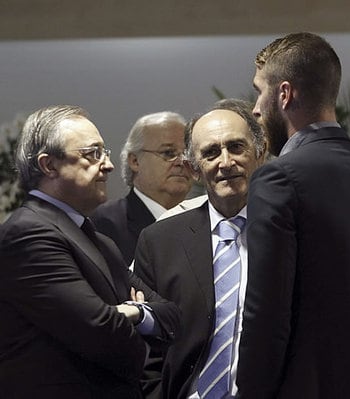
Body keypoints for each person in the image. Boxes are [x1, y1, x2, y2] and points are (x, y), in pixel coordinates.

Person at [236, 32, 350, 399]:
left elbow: (267, 315)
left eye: (259, 92)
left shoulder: (278, 178)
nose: (256, 109)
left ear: (284, 94)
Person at [0, 105, 182, 399]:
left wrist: (133, 312)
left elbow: (173, 316)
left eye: (104, 152)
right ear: (49, 165)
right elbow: (102, 334)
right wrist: (142, 323)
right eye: (92, 154)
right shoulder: (28, 234)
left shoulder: (99, 241)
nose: (108, 165)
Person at [133, 99, 267, 399]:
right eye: (210, 153)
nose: (225, 162)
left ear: (260, 153)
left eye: (236, 147)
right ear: (194, 168)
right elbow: (145, 350)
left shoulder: (289, 234)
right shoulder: (159, 242)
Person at [91, 111, 193, 265]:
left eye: (187, 154)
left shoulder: (203, 221)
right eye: (168, 153)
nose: (181, 162)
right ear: (135, 161)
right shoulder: (105, 223)